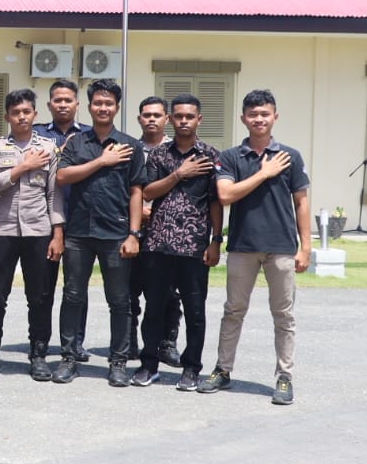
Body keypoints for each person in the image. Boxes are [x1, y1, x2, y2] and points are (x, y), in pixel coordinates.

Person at [200, 89, 310, 405]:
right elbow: (226, 195)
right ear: (243, 118)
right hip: (243, 246)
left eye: (265, 113)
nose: (259, 119)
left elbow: (301, 203)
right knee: (233, 310)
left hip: (281, 247)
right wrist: (265, 172)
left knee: (283, 314)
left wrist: (306, 247)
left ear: (275, 116)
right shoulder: (231, 157)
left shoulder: (291, 156)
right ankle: (222, 370)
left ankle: (285, 377)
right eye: (253, 114)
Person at [51, 79, 146, 387]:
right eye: (98, 103)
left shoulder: (131, 146)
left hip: (116, 233)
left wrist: (134, 233)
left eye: (109, 104)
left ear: (117, 108)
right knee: (72, 295)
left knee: (119, 300)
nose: (103, 108)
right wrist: (102, 161)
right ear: (89, 106)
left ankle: (118, 362)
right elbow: (63, 176)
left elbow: (136, 192)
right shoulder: (77, 143)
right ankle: (68, 358)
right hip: (78, 232)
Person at [137, 93, 222, 389]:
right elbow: (148, 192)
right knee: (154, 309)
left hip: (194, 247)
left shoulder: (211, 156)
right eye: (179, 116)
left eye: (190, 116)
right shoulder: (160, 155)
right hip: (158, 244)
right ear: (170, 119)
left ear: (199, 119)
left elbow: (216, 202)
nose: (184, 121)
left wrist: (216, 241)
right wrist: (179, 174)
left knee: (195, 311)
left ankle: (191, 368)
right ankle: (149, 365)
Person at [0, 88, 64, 382]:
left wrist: (58, 234)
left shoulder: (49, 149)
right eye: (15, 112)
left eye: (26, 111)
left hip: (39, 230)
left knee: (40, 296)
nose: (21, 117)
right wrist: (22, 167)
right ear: (7, 116)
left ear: (35, 114)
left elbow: (55, 195)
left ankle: (38, 354)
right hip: (3, 230)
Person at [34, 79, 91, 361]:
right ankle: (41, 341)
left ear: (77, 104)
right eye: (58, 100)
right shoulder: (37, 135)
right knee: (44, 286)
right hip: (44, 221)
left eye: (68, 100)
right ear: (49, 105)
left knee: (77, 287)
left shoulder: (92, 136)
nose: (63, 104)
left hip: (82, 220)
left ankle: (75, 342)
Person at [130, 96, 183, 366]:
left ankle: (166, 342)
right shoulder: (129, 149)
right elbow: (121, 190)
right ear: (139, 118)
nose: (151, 119)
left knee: (167, 293)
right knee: (129, 289)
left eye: (157, 115)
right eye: (146, 115)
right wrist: (138, 214)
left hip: (167, 232)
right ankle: (129, 341)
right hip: (132, 230)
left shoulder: (178, 151)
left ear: (167, 119)